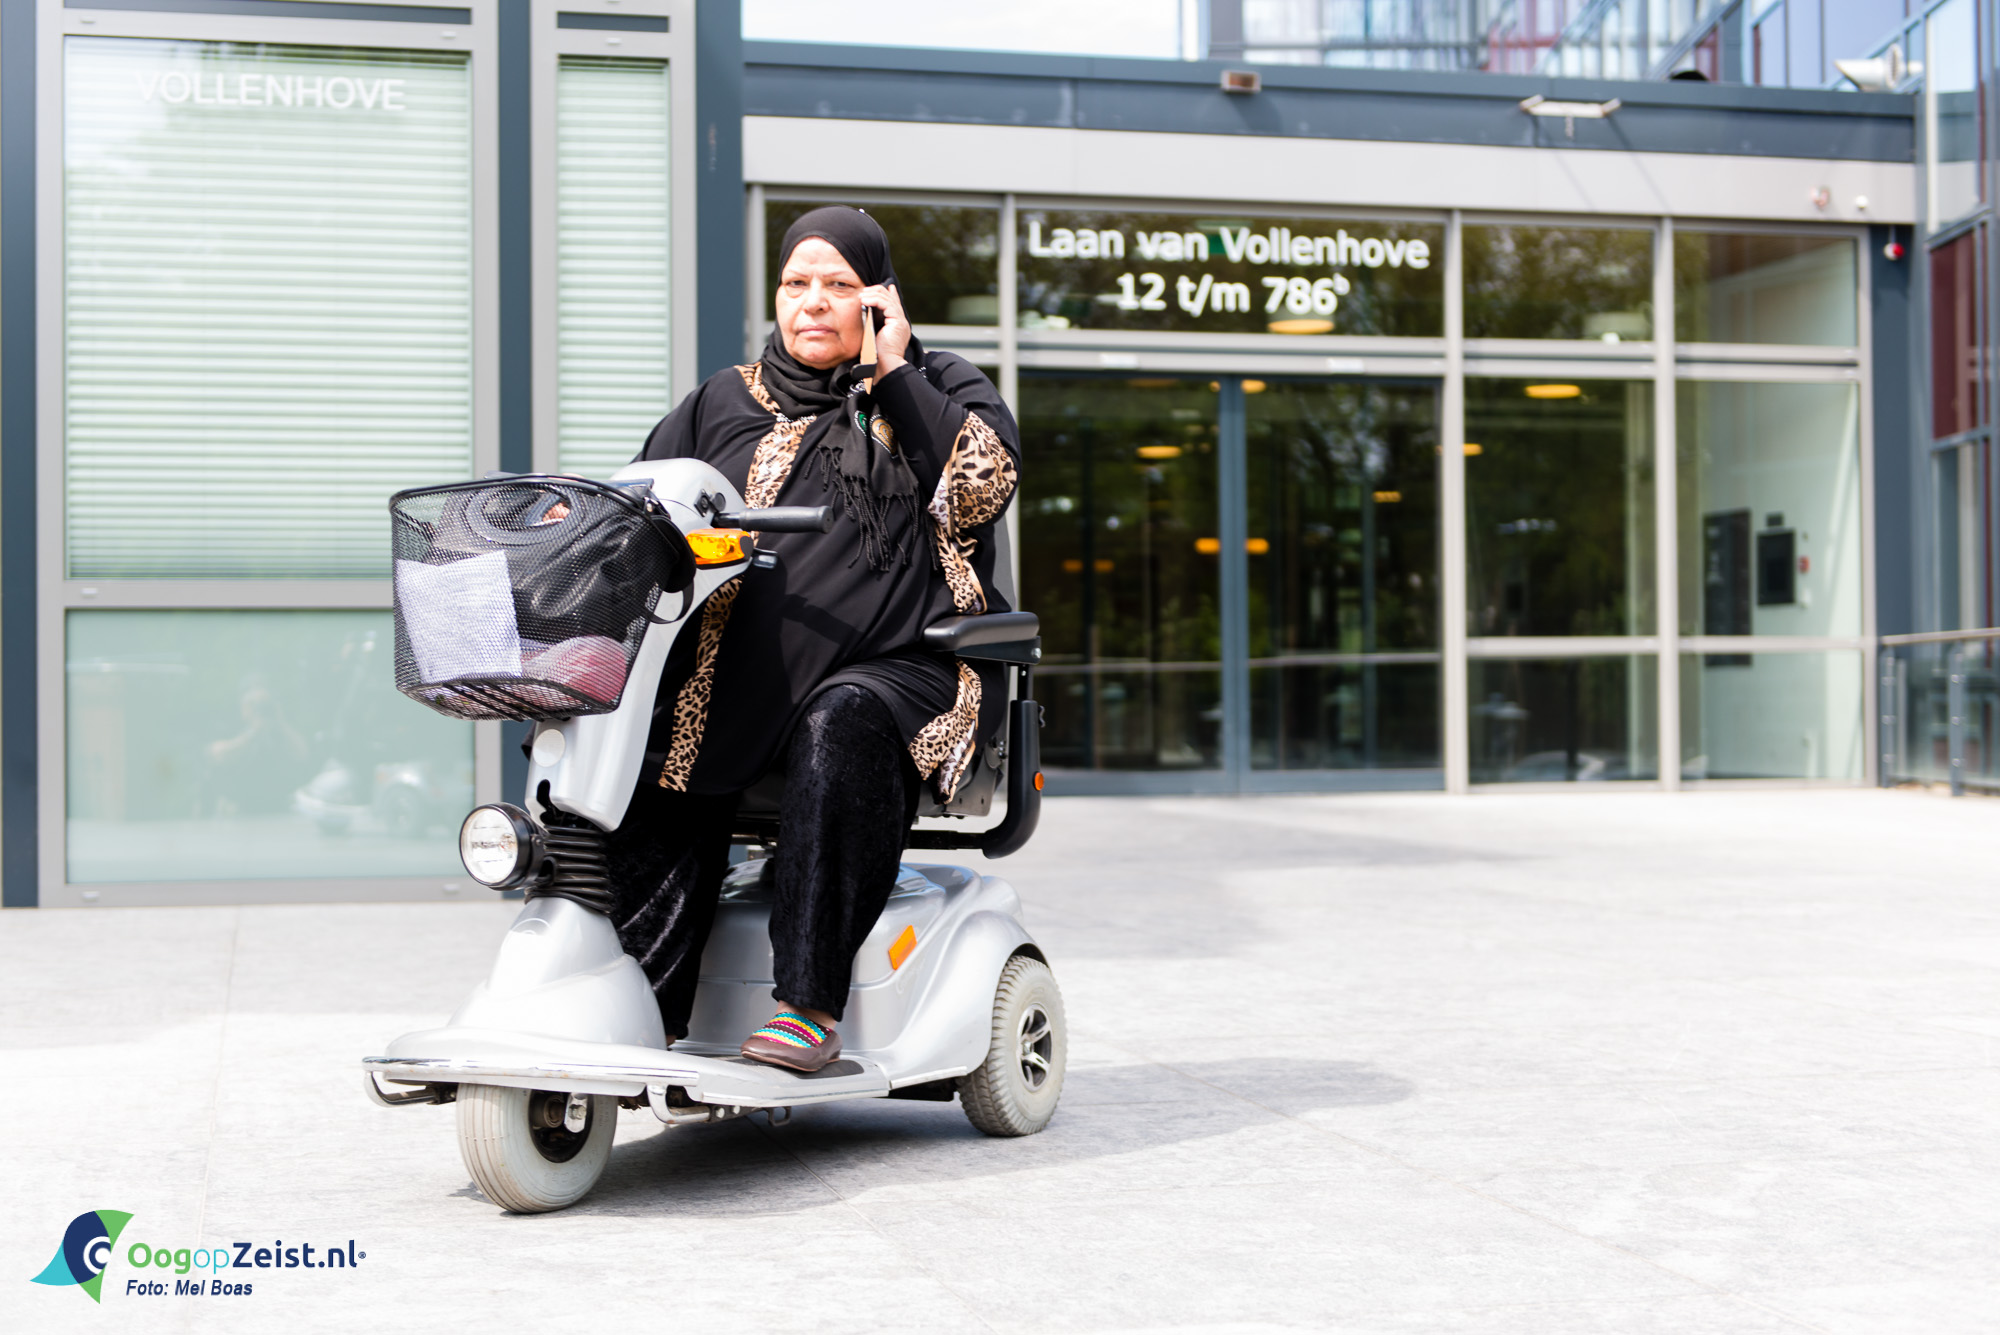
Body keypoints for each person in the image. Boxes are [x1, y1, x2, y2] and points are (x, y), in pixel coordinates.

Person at [605, 207, 1020, 1072]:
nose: (813, 302)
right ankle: (643, 999)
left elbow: (983, 488)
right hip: (743, 671)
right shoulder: (722, 399)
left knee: (842, 716)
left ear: (880, 299)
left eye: (840, 285)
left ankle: (809, 1003)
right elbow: (639, 511)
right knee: (658, 737)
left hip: (906, 667)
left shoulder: (940, 386)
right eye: (797, 283)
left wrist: (895, 372)